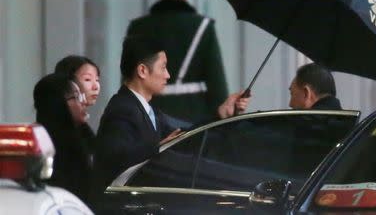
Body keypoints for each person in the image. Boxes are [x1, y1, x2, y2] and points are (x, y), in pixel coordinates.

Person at [92, 35, 248, 204]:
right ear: (143, 70)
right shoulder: (121, 109)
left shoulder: (149, 110)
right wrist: (158, 147)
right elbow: (114, 157)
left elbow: (184, 137)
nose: (167, 75)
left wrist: (220, 114)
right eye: (163, 67)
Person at [126, 0, 228, 125]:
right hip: (195, 121)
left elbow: (130, 81)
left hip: (149, 120)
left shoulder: (138, 28)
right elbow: (217, 85)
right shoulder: (203, 27)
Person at [33, 73, 94, 203]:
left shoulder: (84, 134)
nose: (84, 102)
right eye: (77, 97)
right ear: (58, 103)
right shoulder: (42, 144)